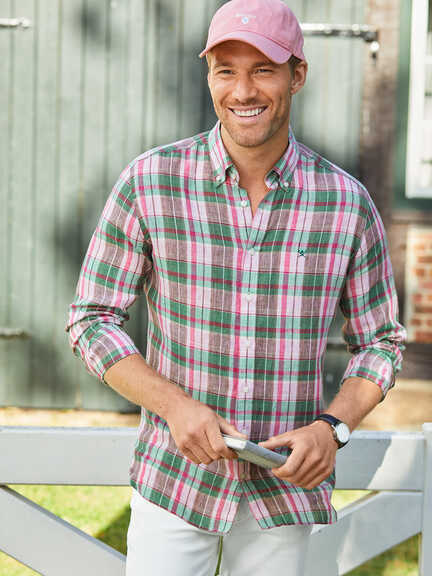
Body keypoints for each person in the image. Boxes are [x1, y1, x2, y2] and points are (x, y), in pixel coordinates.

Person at [66, 0, 407, 574]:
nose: (243, 91)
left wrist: (334, 428)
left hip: (284, 490)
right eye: (226, 71)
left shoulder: (345, 202)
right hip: (176, 481)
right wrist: (173, 406)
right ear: (209, 77)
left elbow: (381, 342)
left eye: (264, 70)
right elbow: (91, 319)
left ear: (297, 75)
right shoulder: (150, 182)